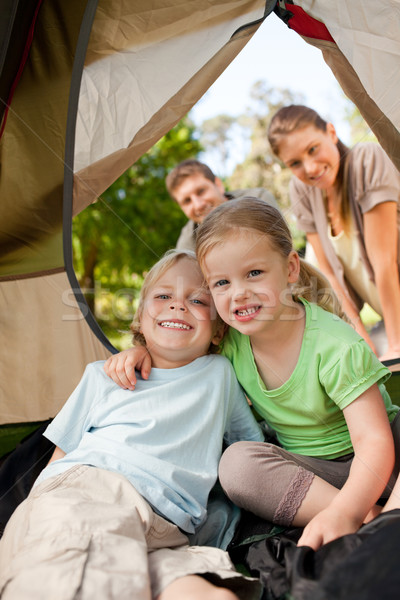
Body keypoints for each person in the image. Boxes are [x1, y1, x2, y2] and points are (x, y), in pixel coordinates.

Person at [104, 198, 400, 553]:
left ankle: (376, 517)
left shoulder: (334, 345)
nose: (239, 293)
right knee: (237, 465)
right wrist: (142, 351)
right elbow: (178, 349)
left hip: (385, 456)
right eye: (222, 283)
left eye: (254, 273)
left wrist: (345, 512)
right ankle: (372, 517)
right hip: (318, 475)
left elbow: (375, 443)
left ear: (291, 268)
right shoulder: (230, 342)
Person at [0, 249, 264, 600]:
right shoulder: (103, 375)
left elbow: (251, 444)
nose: (177, 305)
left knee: (208, 592)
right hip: (94, 491)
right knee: (75, 572)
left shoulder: (221, 376)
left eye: (197, 300)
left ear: (218, 331)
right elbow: (61, 456)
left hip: (170, 528)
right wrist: (36, 510)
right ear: (140, 318)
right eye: (163, 296)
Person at [267, 104, 400, 362]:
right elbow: (329, 275)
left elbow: (383, 261)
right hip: (390, 319)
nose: (311, 168)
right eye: (295, 163)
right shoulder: (302, 191)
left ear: (331, 132)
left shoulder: (367, 159)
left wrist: (396, 346)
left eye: (313, 149)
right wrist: (362, 343)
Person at [167, 159, 278, 251]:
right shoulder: (187, 244)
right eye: (187, 201)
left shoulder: (258, 199)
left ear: (218, 185)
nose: (198, 205)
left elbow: (278, 250)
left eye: (201, 191)